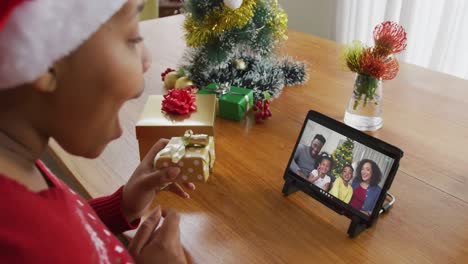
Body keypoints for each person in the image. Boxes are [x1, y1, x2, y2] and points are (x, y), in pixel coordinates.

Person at [0, 1, 193, 263]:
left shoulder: (17, 169)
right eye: (133, 38)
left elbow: (65, 232)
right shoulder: (37, 244)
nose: (147, 60)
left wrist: (121, 207)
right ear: (46, 60)